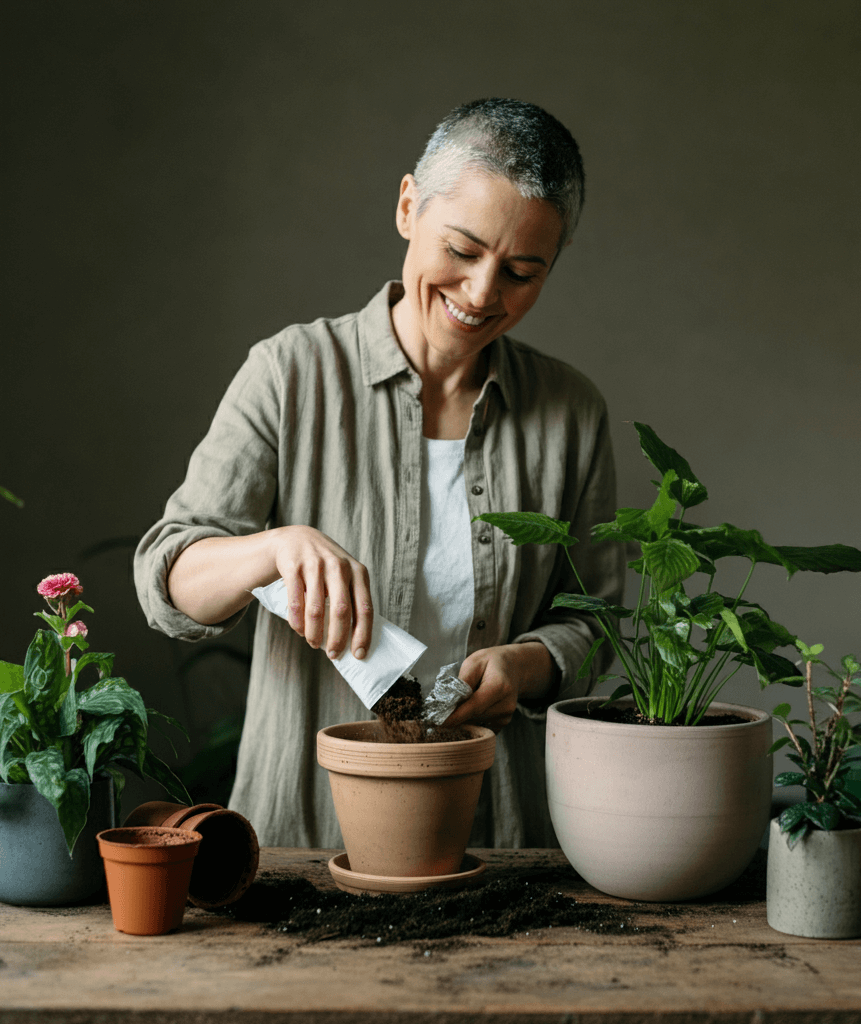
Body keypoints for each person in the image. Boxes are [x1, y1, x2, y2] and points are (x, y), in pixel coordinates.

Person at [134, 98, 624, 849]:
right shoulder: (290, 374)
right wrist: (273, 549)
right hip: (304, 836)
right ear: (407, 207)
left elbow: (598, 623)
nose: (484, 292)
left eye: (522, 272)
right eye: (462, 249)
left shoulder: (570, 412)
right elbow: (169, 581)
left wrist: (530, 666)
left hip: (499, 840)